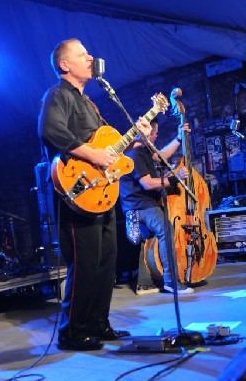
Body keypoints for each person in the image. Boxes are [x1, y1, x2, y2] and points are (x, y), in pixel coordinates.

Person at [38, 38, 152, 351]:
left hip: (101, 192)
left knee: (105, 262)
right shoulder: (57, 95)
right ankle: (72, 333)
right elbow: (51, 132)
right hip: (77, 192)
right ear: (64, 65)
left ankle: (99, 324)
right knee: (85, 263)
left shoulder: (89, 103)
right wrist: (92, 155)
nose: (90, 58)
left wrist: (134, 139)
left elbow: (109, 149)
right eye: (82, 54)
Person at [120, 119, 194, 294]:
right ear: (145, 134)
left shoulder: (142, 150)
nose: (155, 137)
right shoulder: (134, 153)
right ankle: (171, 282)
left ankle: (147, 282)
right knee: (166, 230)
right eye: (153, 134)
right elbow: (147, 184)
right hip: (139, 206)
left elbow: (161, 156)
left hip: (142, 204)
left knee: (154, 237)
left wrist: (178, 138)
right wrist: (174, 178)